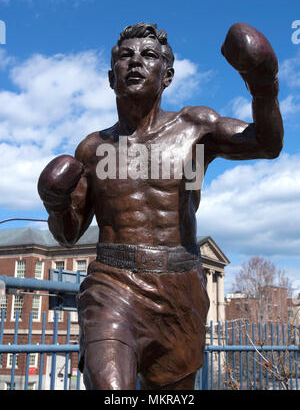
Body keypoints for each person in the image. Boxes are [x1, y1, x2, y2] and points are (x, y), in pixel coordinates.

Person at [38, 22, 283, 390]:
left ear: (166, 75)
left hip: (179, 289)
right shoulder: (92, 148)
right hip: (112, 284)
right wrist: (55, 203)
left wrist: (262, 84)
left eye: (148, 56)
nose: (135, 62)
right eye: (125, 56)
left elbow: (266, 143)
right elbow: (68, 235)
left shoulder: (195, 128)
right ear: (111, 77)